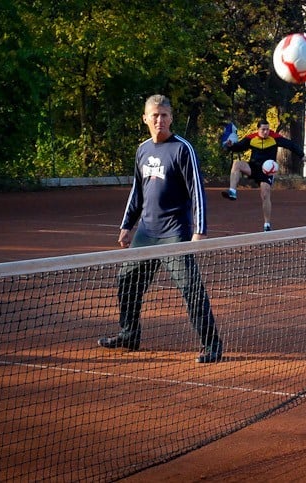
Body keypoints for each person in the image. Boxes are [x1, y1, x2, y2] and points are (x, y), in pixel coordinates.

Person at [97, 94, 223, 363]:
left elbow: (197, 191)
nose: (159, 120)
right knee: (126, 280)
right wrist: (126, 225)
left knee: (190, 288)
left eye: (164, 115)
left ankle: (212, 345)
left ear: (171, 118)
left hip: (174, 234)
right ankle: (129, 333)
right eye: (154, 115)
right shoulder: (142, 150)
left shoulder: (182, 149)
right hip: (145, 233)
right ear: (145, 119)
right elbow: (137, 191)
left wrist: (198, 231)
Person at [222, 120, 306, 231]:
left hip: (267, 171)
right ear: (258, 129)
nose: (266, 131)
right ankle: (232, 191)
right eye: (263, 129)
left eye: (267, 129)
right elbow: (238, 147)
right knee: (237, 164)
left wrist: (302, 156)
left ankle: (267, 224)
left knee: (265, 194)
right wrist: (230, 146)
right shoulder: (251, 138)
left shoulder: (275, 138)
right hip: (253, 167)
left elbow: (291, 145)